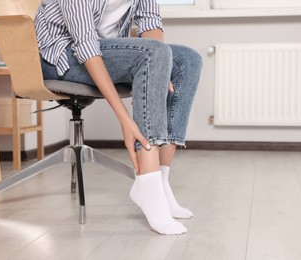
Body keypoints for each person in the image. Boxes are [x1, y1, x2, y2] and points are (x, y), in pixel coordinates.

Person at [34, 0, 202, 235]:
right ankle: (148, 182)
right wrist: (124, 118)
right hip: (60, 55)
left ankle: (160, 182)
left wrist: (161, 70)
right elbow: (86, 45)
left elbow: (150, 21)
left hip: (105, 49)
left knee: (187, 61)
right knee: (153, 54)